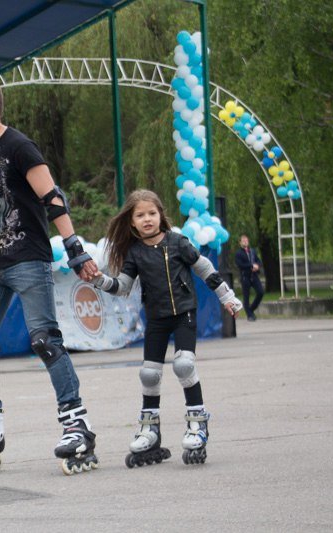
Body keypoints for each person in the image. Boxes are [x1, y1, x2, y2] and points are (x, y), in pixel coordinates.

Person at [0, 76, 100, 476]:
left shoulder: (19, 146)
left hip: (28, 260)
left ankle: (76, 425)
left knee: (45, 342)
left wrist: (74, 249)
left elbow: (52, 199)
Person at [91, 189, 242, 467]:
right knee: (149, 374)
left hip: (184, 313)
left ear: (161, 215)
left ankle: (198, 424)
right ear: (132, 222)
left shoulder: (177, 242)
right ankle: (150, 430)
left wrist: (226, 296)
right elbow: (123, 286)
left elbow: (204, 267)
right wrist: (101, 280)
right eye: (140, 215)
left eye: (152, 213)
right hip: (157, 317)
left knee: (184, 365)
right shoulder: (135, 253)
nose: (147, 219)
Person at [235, 234, 265, 321]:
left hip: (254, 276)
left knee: (260, 292)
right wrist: (251, 265)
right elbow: (240, 264)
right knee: (246, 296)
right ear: (240, 242)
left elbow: (258, 261)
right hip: (245, 276)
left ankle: (251, 309)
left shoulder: (252, 251)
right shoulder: (239, 253)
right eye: (243, 240)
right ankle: (249, 315)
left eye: (246, 240)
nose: (245, 242)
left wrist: (257, 266)